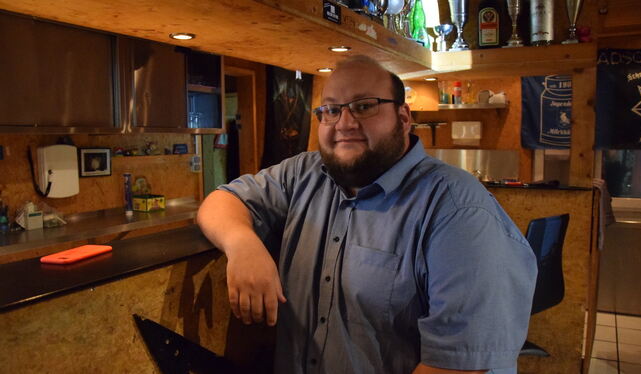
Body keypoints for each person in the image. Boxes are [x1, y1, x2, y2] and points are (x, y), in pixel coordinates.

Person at [197, 55, 537, 374]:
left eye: (363, 106)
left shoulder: (457, 210)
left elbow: (458, 366)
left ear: (403, 118)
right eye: (330, 110)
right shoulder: (304, 173)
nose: (344, 123)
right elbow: (221, 201)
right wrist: (242, 244)